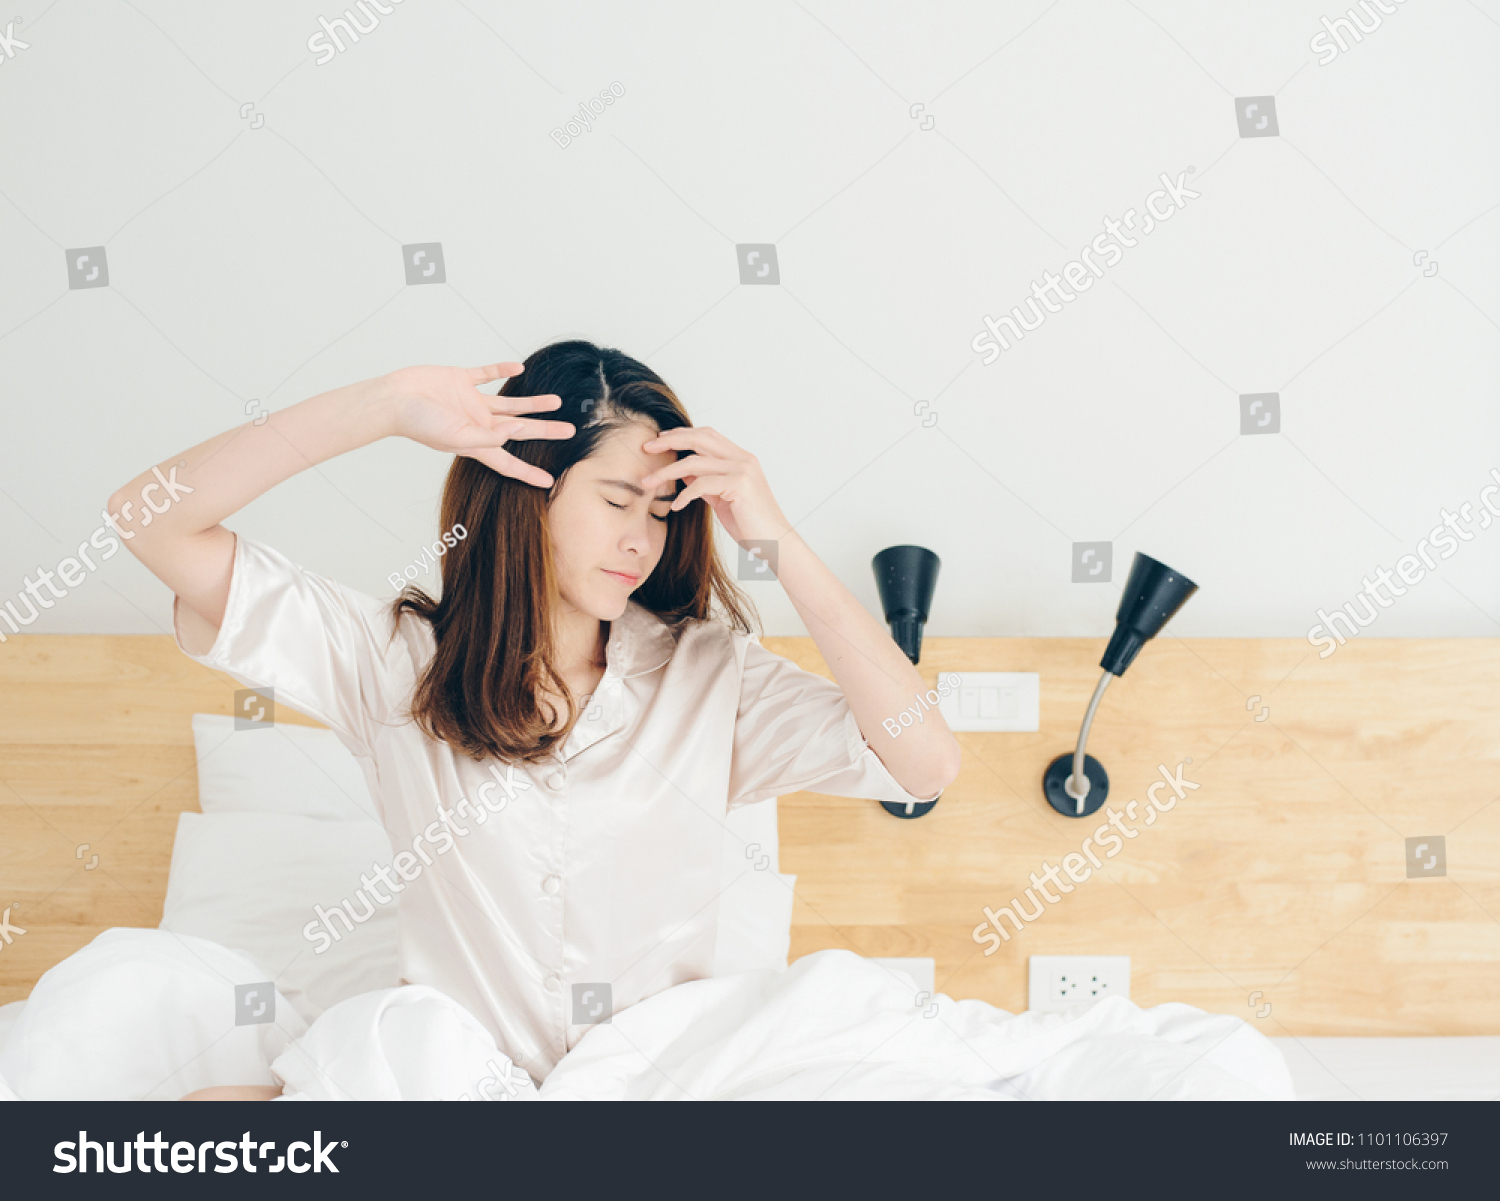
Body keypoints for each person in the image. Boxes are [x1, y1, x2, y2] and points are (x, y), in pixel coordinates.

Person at [100, 340, 961, 1100]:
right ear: (529, 489)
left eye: (662, 513)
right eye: (617, 501)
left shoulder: (709, 674)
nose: (642, 540)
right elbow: (148, 517)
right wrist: (385, 405)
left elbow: (925, 762)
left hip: (658, 1087)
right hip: (453, 1090)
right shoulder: (391, 663)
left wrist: (771, 533)